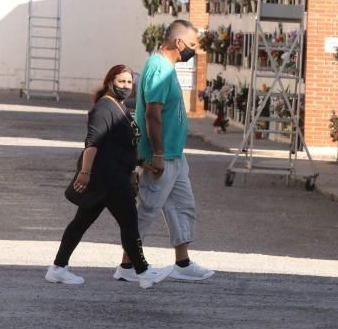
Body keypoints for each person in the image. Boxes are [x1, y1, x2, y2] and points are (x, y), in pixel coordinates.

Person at [46, 65, 173, 288]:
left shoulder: (118, 106)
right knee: (129, 223)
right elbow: (93, 142)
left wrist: (142, 163)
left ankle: (58, 268)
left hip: (111, 176)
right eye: (120, 81)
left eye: (128, 82)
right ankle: (143, 272)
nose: (125, 86)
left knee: (81, 223)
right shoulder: (104, 108)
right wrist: (85, 173)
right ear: (109, 82)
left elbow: (119, 145)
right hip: (108, 178)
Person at [115, 19, 215, 283]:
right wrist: (156, 154)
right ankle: (127, 266)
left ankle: (182, 262)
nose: (194, 51)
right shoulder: (159, 68)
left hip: (174, 155)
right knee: (148, 209)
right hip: (161, 156)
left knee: (182, 206)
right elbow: (152, 115)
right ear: (179, 43)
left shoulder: (166, 67)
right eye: (192, 45)